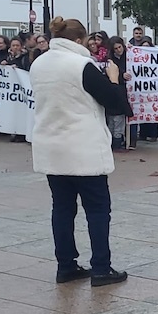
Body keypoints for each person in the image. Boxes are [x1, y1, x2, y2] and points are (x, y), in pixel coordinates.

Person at [31, 17, 130, 287]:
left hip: (51, 147)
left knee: (61, 209)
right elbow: (115, 103)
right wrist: (113, 80)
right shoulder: (81, 65)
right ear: (78, 41)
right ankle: (101, 267)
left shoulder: (38, 63)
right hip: (83, 147)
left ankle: (66, 265)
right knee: (98, 210)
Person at [106, 36, 131, 152]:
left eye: (120, 47)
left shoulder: (130, 55)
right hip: (117, 91)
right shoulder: (110, 60)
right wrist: (121, 75)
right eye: (115, 48)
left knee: (119, 120)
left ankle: (119, 141)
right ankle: (115, 142)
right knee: (113, 121)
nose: (118, 50)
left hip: (127, 90)